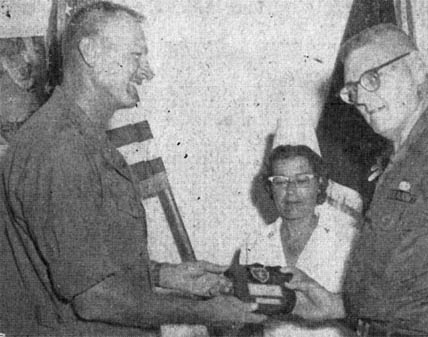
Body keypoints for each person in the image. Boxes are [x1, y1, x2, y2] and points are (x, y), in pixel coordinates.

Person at [0, 2, 265, 336]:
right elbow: (93, 299)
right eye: (137, 55)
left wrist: (164, 275)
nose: (147, 71)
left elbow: (80, 262)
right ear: (90, 51)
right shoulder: (62, 149)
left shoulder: (76, 137)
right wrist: (205, 312)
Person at [291, 23, 428, 336]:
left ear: (416, 68)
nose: (361, 99)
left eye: (372, 79)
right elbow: (410, 289)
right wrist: (335, 305)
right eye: (352, 90)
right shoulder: (398, 161)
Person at [242, 140, 359, 337]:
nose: (291, 191)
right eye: (280, 181)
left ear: (320, 183)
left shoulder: (349, 241)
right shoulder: (255, 244)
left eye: (302, 180)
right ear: (270, 188)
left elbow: (369, 315)